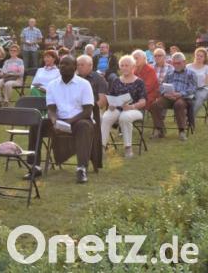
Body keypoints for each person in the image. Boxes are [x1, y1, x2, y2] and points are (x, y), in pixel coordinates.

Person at [45, 56, 96, 184]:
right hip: (59, 120)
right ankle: (35, 166)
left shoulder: (84, 84)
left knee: (84, 126)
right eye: (61, 64)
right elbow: (51, 108)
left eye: (67, 64)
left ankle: (81, 168)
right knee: (37, 125)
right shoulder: (52, 85)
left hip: (79, 120)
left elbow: (87, 111)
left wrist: (69, 122)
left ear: (75, 67)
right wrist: (54, 120)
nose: (63, 66)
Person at [100, 56, 147, 157]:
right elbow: (111, 96)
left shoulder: (139, 82)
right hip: (117, 108)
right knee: (106, 117)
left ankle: (128, 148)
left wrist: (132, 106)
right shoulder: (116, 81)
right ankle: (101, 147)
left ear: (133, 67)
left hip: (135, 109)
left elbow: (143, 101)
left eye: (127, 65)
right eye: (122, 65)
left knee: (124, 117)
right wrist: (111, 104)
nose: (124, 68)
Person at [149, 52, 196, 140]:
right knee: (155, 105)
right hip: (169, 97)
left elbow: (192, 89)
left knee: (178, 105)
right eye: (174, 63)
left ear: (184, 62)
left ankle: (181, 131)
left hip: (182, 97)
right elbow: (162, 86)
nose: (176, 65)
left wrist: (180, 94)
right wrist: (165, 93)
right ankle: (160, 129)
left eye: (179, 63)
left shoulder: (191, 73)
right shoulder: (170, 73)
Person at [188, 47, 208, 118]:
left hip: (203, 89)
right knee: (185, 97)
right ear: (195, 56)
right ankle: (184, 116)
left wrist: (197, 87)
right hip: (190, 89)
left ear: (205, 58)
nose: (199, 57)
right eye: (197, 55)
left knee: (199, 96)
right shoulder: (188, 66)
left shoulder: (207, 68)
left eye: (201, 56)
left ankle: (190, 118)